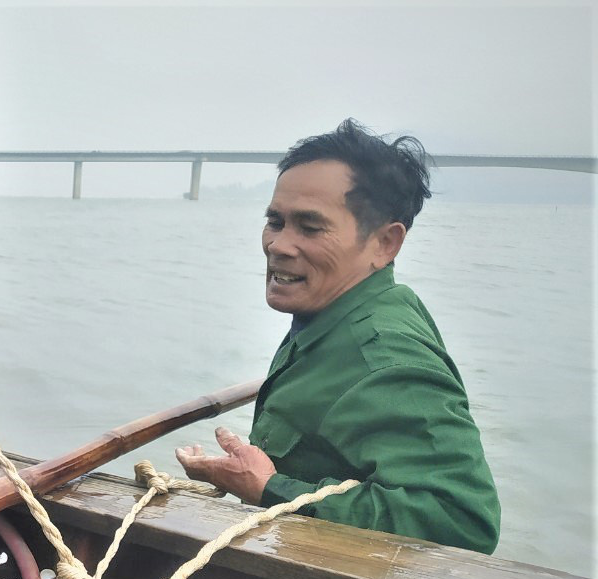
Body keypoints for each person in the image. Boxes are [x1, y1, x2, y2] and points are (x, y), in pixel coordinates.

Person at [175, 119, 500, 553]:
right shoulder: (335, 311)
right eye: (275, 221)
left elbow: (462, 521)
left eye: (310, 228)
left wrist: (267, 487)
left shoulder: (384, 358)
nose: (279, 245)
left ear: (385, 243)